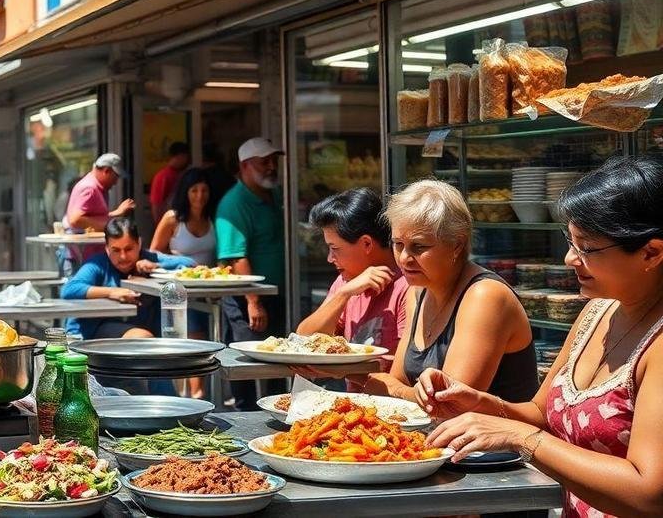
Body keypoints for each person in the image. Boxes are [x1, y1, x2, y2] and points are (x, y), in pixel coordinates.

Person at [420, 157, 663, 518]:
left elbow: (648, 493)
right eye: (570, 241)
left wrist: (523, 439)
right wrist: (478, 403)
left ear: (651, 252)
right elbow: (541, 413)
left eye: (587, 247)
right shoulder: (597, 312)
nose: (569, 258)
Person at [358, 179, 536, 405]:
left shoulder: (485, 296)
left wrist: (389, 387)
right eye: (398, 244)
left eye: (419, 247)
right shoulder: (417, 292)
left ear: (457, 244)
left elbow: (450, 404)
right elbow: (398, 379)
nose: (404, 258)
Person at [296, 188, 409, 377]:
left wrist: (342, 371)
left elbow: (407, 368)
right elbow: (304, 340)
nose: (330, 258)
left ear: (366, 243)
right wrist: (343, 294)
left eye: (335, 249)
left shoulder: (407, 286)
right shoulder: (346, 283)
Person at [215, 137, 286, 408]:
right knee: (247, 360)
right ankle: (245, 413)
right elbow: (235, 257)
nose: (271, 167)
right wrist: (253, 301)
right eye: (264, 162)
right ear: (245, 165)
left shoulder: (276, 194)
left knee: (278, 361)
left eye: (273, 161)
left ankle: (277, 407)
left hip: (277, 292)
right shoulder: (233, 204)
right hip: (249, 299)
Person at [62, 217, 193, 340]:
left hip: (139, 331)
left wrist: (156, 266)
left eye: (129, 249)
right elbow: (69, 289)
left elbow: (190, 263)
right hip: (92, 332)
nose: (123, 257)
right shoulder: (98, 264)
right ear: (107, 249)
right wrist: (112, 292)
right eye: (116, 250)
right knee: (142, 338)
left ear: (139, 244)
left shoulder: (148, 258)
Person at [149, 167, 216, 397]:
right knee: (195, 338)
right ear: (185, 192)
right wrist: (183, 263)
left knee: (212, 340)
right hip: (181, 290)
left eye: (204, 190)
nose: (200, 196)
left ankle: (201, 392)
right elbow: (153, 254)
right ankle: (197, 394)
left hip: (213, 289)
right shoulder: (173, 218)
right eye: (194, 190)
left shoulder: (214, 217)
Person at [149, 142, 190, 224]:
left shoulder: (183, 174)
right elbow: (156, 205)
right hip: (168, 225)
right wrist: (161, 227)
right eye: (186, 157)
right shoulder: (163, 177)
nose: (188, 161)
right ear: (180, 156)